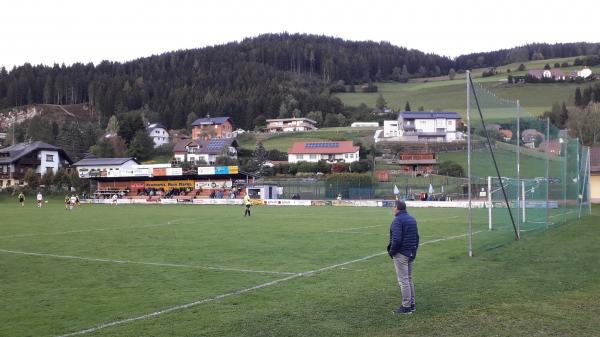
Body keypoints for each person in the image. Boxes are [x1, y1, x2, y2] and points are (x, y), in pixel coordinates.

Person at [387, 200, 420, 315]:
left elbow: (396, 239)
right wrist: (413, 251)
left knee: (403, 280)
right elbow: (417, 237)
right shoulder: (411, 218)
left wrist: (392, 252)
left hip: (401, 254)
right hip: (410, 252)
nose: (392, 208)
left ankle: (406, 306)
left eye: (393, 206)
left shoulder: (398, 220)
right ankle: (411, 304)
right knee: (409, 279)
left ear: (397, 208)